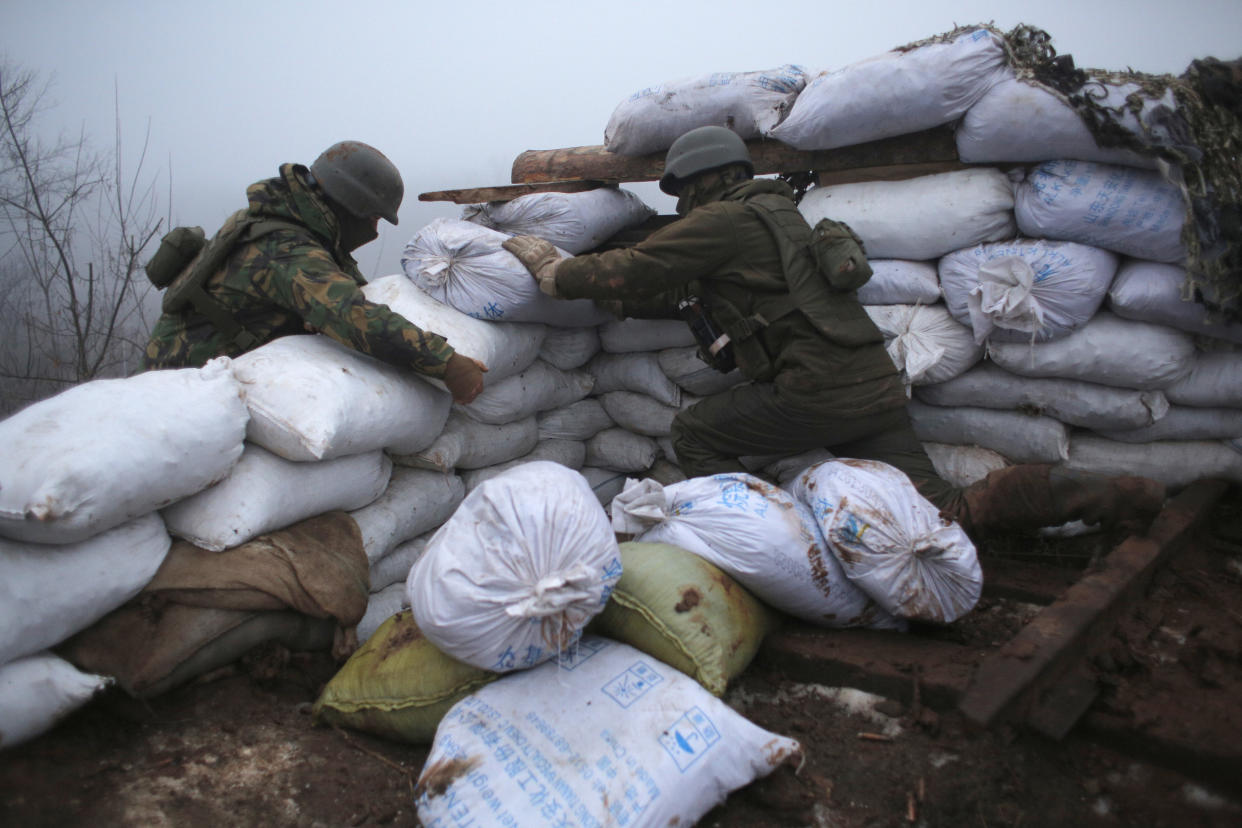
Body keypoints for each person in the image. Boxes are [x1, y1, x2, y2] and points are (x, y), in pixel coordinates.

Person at [503, 125, 1165, 537]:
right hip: (871, 383)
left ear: (706, 181)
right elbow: (682, 293)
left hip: (814, 390)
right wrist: (635, 304)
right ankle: (1108, 492)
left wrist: (559, 273)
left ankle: (757, 538)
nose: (681, 204)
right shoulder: (781, 218)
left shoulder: (723, 222)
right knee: (950, 508)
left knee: (694, 432)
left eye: (684, 190)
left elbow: (637, 266)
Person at [143, 140, 487, 404]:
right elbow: (348, 314)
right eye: (373, 218)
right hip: (184, 388)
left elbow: (352, 290)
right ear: (351, 204)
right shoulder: (285, 247)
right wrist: (445, 363)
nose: (375, 231)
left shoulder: (298, 227)